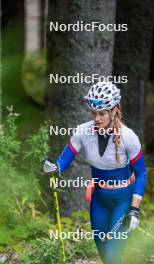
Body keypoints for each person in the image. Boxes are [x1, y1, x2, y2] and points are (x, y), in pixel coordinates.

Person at [43, 81, 147, 264]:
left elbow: (141, 173)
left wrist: (134, 210)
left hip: (122, 200)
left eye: (102, 113)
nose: (96, 118)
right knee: (104, 253)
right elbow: (67, 156)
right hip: (99, 199)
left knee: (113, 254)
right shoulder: (83, 131)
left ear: (114, 110)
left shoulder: (129, 137)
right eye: (94, 113)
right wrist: (56, 168)